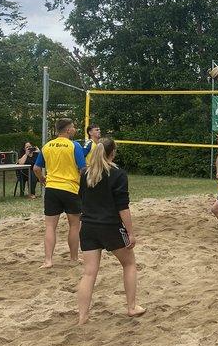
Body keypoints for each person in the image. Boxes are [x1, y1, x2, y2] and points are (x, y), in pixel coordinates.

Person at [77, 137, 145, 325]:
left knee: (89, 273)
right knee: (129, 264)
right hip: (110, 226)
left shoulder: (86, 174)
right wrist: (130, 233)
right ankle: (131, 307)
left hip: (88, 226)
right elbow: (123, 207)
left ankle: (82, 317)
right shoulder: (118, 174)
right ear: (113, 152)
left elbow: (82, 200)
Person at [33, 118, 86, 267]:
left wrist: (42, 179)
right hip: (70, 188)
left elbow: (36, 168)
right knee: (74, 225)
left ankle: (48, 260)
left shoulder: (47, 146)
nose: (75, 129)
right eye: (73, 127)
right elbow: (83, 169)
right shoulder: (74, 145)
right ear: (68, 130)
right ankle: (73, 258)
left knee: (50, 226)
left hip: (52, 189)